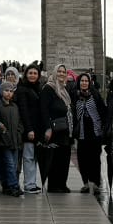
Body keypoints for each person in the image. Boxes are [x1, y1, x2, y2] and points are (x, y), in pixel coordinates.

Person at [39, 65, 75, 193]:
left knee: (64, 158)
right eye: (59, 71)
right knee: (55, 158)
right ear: (54, 73)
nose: (61, 73)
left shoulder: (64, 89)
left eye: (63, 72)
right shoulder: (48, 88)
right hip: (54, 129)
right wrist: (47, 128)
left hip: (65, 129)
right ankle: (54, 185)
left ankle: (62, 184)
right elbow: (43, 110)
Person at [71, 73, 107, 196]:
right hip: (82, 134)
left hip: (95, 133)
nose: (84, 83)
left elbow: (103, 111)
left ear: (89, 82)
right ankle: (85, 183)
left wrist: (103, 128)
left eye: (86, 81)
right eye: (82, 81)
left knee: (95, 159)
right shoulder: (75, 96)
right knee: (82, 159)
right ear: (79, 82)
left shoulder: (95, 95)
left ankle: (96, 183)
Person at [14, 65, 47, 194]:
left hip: (37, 128)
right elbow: (24, 111)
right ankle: (29, 185)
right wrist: (29, 129)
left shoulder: (39, 88)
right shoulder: (22, 89)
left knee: (33, 156)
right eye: (30, 73)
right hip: (29, 129)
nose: (32, 75)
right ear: (25, 74)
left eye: (35, 73)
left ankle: (32, 183)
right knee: (28, 157)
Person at [0, 80, 24, 197]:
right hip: (4, 142)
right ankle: (14, 186)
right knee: (9, 164)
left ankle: (7, 185)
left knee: (14, 165)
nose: (9, 93)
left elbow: (20, 122)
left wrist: (18, 133)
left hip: (15, 141)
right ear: (2, 92)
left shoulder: (15, 106)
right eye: (6, 91)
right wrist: (2, 131)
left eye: (11, 91)